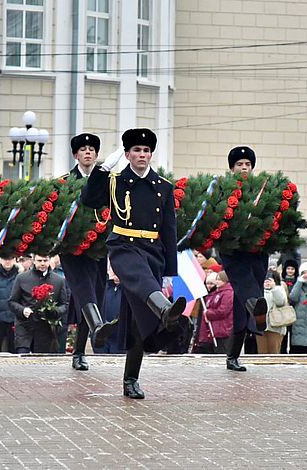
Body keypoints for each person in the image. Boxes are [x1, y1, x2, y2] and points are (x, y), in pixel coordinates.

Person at [81, 128, 183, 399]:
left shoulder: (163, 187)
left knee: (139, 320)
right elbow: (88, 200)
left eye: (146, 151)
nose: (142, 155)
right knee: (139, 276)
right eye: (136, 150)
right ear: (127, 154)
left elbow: (169, 230)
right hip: (124, 246)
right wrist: (102, 170)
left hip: (153, 251)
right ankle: (165, 310)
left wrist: (171, 273)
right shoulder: (116, 181)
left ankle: (131, 380)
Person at [59, 132, 117, 371]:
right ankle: (95, 328)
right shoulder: (65, 182)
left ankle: (80, 350)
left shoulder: (107, 180)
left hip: (98, 248)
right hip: (72, 248)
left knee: (95, 292)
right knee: (83, 289)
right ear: (76, 154)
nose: (88, 152)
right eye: (83, 149)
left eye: (92, 149)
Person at [218, 146, 269, 370]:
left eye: (248, 164)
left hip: (256, 251)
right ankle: (257, 313)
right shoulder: (222, 190)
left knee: (246, 303)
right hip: (232, 251)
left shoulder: (263, 190)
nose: (244, 168)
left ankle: (233, 355)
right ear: (232, 168)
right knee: (247, 292)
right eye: (240, 164)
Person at [10, 254, 68, 354]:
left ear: (49, 260)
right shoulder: (22, 278)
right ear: (34, 261)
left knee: (42, 362)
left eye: (45, 260)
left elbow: (65, 304)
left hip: (46, 331)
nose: (42, 263)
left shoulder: (59, 280)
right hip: (25, 328)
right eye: (39, 260)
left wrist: (55, 311)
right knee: (22, 360)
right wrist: (23, 310)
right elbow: (12, 301)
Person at [195, 271, 233, 354]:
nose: (217, 282)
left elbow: (223, 311)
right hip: (214, 329)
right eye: (217, 279)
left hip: (223, 328)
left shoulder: (228, 293)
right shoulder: (215, 293)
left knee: (222, 352)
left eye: (219, 280)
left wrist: (208, 313)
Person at [94, 263, 123, 354]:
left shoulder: (129, 289)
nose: (116, 272)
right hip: (103, 338)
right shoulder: (102, 287)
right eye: (113, 269)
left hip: (121, 338)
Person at [256, 270, 288, 354]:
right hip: (261, 327)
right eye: (265, 281)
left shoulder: (279, 289)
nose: (267, 283)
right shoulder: (259, 291)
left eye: (269, 281)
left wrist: (274, 288)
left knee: (274, 351)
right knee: (262, 352)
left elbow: (280, 302)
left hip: (275, 326)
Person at [279, 258, 299, 354]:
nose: (290, 271)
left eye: (292, 269)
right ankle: (282, 352)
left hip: (295, 311)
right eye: (288, 269)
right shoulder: (281, 281)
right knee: (283, 334)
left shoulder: (298, 282)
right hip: (283, 312)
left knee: (293, 335)